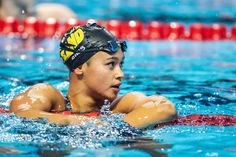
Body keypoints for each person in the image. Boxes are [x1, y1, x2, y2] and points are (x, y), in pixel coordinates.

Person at [9, 23, 177, 129]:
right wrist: (86, 124)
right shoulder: (52, 98)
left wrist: (110, 128)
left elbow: (163, 108)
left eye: (121, 65)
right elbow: (21, 111)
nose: (121, 74)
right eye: (111, 64)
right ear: (80, 67)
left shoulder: (118, 107)